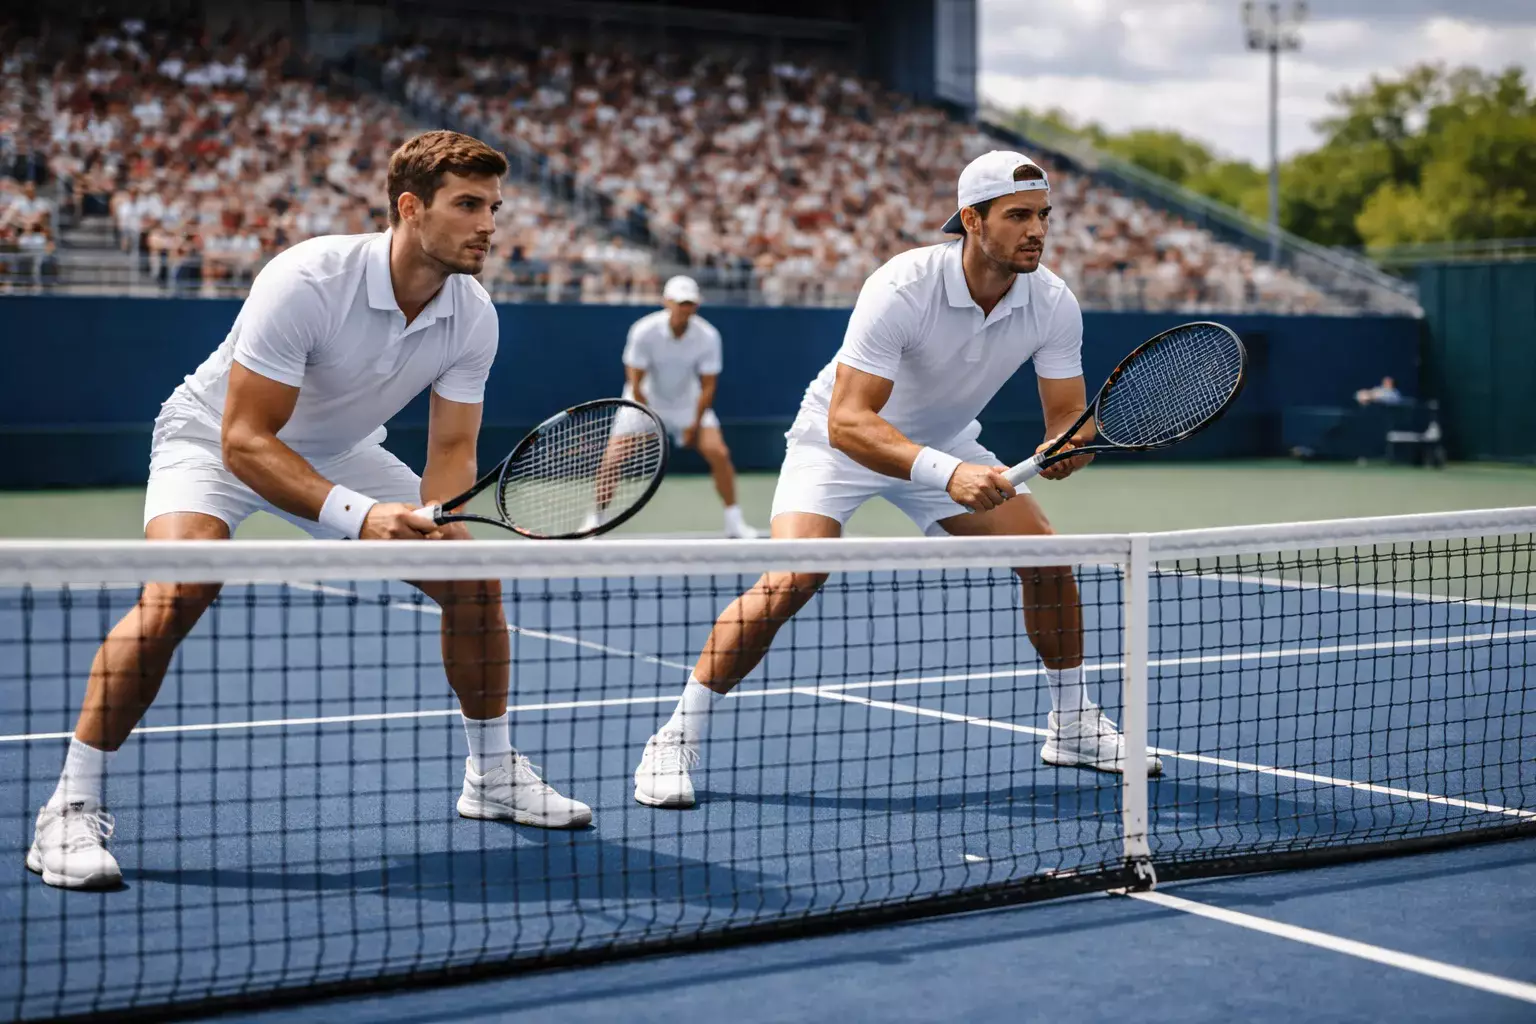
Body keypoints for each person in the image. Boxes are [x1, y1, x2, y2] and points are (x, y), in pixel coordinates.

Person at [28, 130, 591, 891]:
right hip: (215, 440)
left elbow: (453, 450)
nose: (490, 223)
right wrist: (362, 516)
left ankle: (490, 776)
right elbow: (246, 441)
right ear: (409, 207)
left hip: (340, 448)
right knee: (180, 590)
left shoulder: (474, 314)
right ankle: (69, 804)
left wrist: (440, 517)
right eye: (468, 205)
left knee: (473, 579)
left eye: (493, 206)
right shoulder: (307, 277)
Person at [632, 151, 1163, 808]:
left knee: (1048, 559)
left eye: (1044, 216)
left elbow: (1067, 428)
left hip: (943, 443)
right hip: (839, 440)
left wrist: (1065, 451)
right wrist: (951, 474)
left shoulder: (1053, 303)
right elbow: (850, 422)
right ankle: (675, 737)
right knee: (792, 579)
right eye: (1018, 215)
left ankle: (1073, 725)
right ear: (972, 219)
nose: (1037, 231)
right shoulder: (903, 284)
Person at [620, 275, 761, 538]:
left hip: (688, 406)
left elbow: (708, 386)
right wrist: (652, 423)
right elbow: (636, 383)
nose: (685, 309)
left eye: (690, 303)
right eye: (680, 302)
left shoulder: (708, 335)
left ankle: (734, 523)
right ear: (667, 302)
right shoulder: (643, 330)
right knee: (612, 460)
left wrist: (694, 424)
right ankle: (595, 521)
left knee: (719, 452)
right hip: (643, 403)